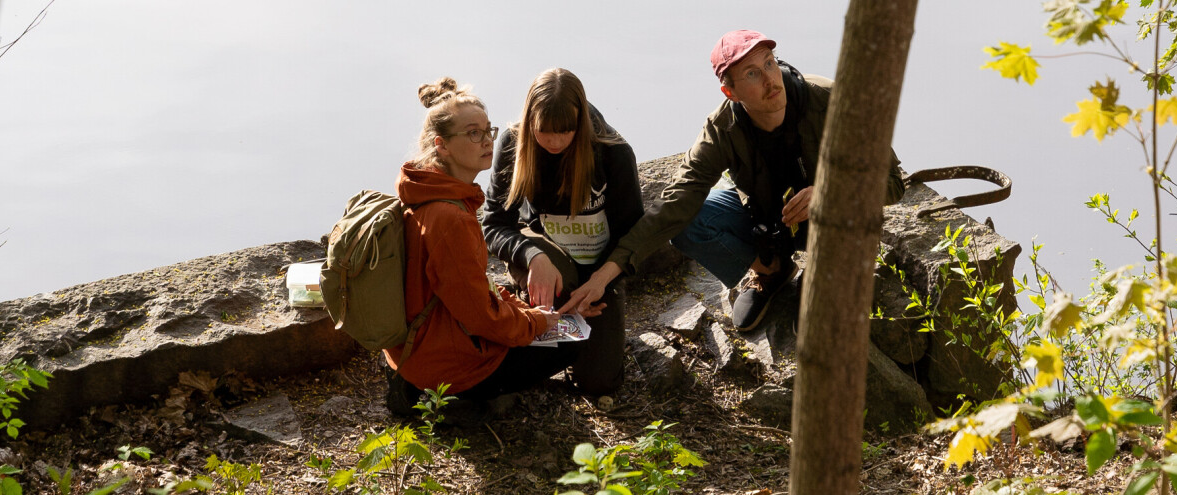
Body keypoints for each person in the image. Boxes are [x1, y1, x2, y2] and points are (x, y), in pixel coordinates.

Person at [564, 30, 906, 332]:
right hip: (768, 217)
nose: (770, 80)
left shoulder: (834, 101)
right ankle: (771, 269)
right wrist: (602, 276)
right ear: (730, 92)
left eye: (770, 63)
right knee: (690, 220)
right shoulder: (721, 129)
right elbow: (674, 205)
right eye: (752, 74)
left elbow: (893, 183)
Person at [386, 77, 601, 416]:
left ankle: (422, 383)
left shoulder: (430, 191)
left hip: (424, 341)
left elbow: (475, 288)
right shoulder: (451, 219)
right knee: (571, 344)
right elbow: (480, 318)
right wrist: (537, 324)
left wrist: (532, 314)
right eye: (473, 133)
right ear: (442, 146)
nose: (487, 141)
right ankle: (435, 399)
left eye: (488, 130)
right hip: (441, 362)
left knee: (549, 323)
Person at [482, 68, 641, 396]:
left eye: (565, 131)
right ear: (530, 122)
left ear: (579, 123)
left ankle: (568, 315)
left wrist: (598, 286)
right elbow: (494, 223)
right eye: (544, 132)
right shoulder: (513, 142)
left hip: (600, 269)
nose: (554, 142)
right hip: (546, 257)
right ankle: (534, 298)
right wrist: (532, 256)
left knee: (599, 383)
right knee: (537, 356)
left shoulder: (613, 152)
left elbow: (633, 236)